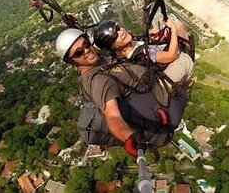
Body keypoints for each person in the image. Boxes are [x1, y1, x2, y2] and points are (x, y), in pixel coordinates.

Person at [55, 28, 189, 157]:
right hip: (162, 97)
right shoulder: (99, 81)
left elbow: (80, 48)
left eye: (86, 44)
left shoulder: (94, 63)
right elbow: (112, 116)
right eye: (79, 53)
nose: (87, 51)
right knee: (186, 59)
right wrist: (128, 137)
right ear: (72, 61)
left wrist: (72, 26)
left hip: (151, 79)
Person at [93, 19, 194, 86]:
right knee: (180, 28)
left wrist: (154, 32)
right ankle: (186, 79)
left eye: (118, 28)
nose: (121, 32)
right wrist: (173, 29)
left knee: (177, 26)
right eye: (115, 36)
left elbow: (142, 38)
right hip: (169, 61)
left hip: (158, 52)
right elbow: (171, 56)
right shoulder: (142, 53)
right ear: (114, 47)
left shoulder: (128, 47)